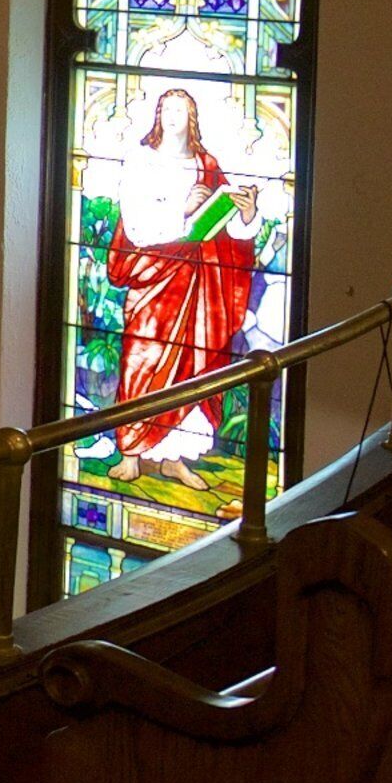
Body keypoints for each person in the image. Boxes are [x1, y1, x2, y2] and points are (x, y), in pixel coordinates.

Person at [104, 85, 264, 489]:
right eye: (166, 108)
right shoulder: (141, 159)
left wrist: (245, 214)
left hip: (199, 283)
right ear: (157, 116)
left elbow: (228, 233)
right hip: (154, 274)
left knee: (193, 366)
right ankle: (131, 452)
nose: (173, 115)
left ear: (193, 118)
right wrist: (184, 210)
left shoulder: (207, 165)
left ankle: (175, 457)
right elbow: (136, 220)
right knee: (143, 360)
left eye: (181, 109)